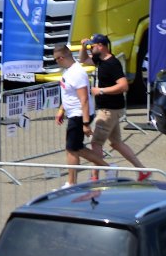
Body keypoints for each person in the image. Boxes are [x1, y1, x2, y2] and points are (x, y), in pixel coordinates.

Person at [85, 35, 153, 180]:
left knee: (96, 143)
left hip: (108, 111)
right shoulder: (100, 60)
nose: (91, 49)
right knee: (116, 143)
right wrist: (83, 46)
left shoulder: (112, 63)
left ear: (101, 46)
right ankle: (142, 170)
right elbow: (83, 60)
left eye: (93, 46)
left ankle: (95, 177)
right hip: (111, 110)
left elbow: (123, 85)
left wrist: (101, 90)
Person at [57, 44, 106, 186]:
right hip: (75, 114)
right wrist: (62, 109)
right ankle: (108, 168)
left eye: (56, 59)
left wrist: (85, 124)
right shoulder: (70, 71)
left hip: (79, 115)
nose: (56, 62)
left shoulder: (76, 73)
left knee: (73, 149)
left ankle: (71, 183)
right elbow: (68, 94)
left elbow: (83, 99)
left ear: (61, 58)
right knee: (75, 148)